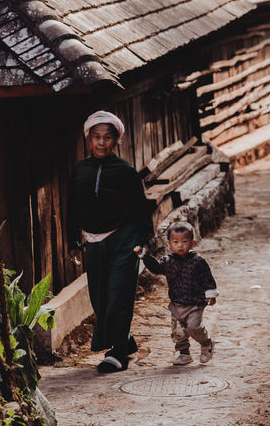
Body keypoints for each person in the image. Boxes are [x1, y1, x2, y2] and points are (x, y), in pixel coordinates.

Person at [68, 111, 153, 374]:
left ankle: (117, 353)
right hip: (94, 241)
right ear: (88, 139)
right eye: (97, 137)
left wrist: (142, 240)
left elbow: (141, 207)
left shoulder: (125, 172)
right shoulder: (80, 170)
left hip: (123, 238)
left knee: (119, 294)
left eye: (107, 137)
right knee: (100, 297)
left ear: (115, 140)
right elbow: (72, 206)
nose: (102, 142)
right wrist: (73, 240)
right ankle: (124, 342)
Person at [136, 221, 218, 365]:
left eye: (184, 241)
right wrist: (145, 256)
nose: (180, 245)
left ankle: (206, 343)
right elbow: (156, 268)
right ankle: (184, 354)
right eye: (176, 242)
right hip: (176, 303)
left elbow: (207, 278)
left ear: (192, 242)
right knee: (178, 331)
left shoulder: (198, 261)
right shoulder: (168, 261)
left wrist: (210, 293)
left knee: (194, 327)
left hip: (195, 303)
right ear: (169, 243)